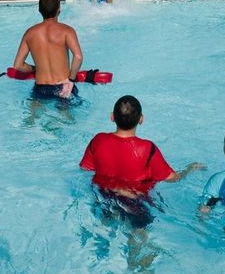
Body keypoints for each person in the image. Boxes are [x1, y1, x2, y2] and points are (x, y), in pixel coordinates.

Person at [80, 95, 204, 229]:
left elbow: (85, 168)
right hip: (135, 202)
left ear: (112, 117)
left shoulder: (98, 140)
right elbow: (172, 179)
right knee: (138, 238)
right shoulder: (147, 148)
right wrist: (189, 169)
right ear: (141, 119)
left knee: (103, 231)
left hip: (103, 196)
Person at [12, 0, 83, 100]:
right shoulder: (67, 31)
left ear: (39, 10)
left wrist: (34, 68)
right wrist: (71, 80)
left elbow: (17, 65)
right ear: (59, 8)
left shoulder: (29, 33)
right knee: (64, 116)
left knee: (33, 115)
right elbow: (78, 57)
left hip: (41, 88)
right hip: (63, 86)